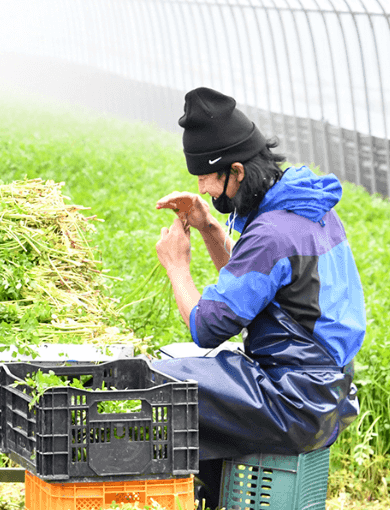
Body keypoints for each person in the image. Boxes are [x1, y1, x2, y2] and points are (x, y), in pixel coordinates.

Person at [151, 87, 365, 509]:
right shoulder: (308, 207)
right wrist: (210, 228)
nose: (204, 189)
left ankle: (197, 499)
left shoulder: (272, 232)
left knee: (162, 384)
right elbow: (253, 289)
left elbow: (207, 327)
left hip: (294, 399)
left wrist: (177, 265)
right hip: (325, 392)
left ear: (236, 171)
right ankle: (214, 498)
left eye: (207, 179)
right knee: (195, 378)